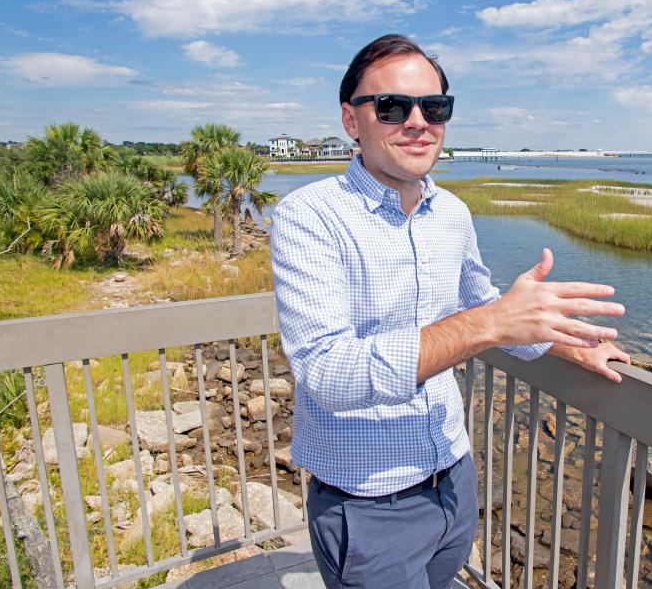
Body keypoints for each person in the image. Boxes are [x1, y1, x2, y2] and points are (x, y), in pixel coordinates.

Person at [269, 34, 630, 589]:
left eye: (434, 107)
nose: (417, 121)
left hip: (454, 478)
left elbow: (481, 303)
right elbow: (329, 373)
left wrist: (566, 341)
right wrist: (492, 324)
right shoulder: (308, 217)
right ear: (351, 120)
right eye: (391, 106)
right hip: (369, 502)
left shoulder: (451, 213)